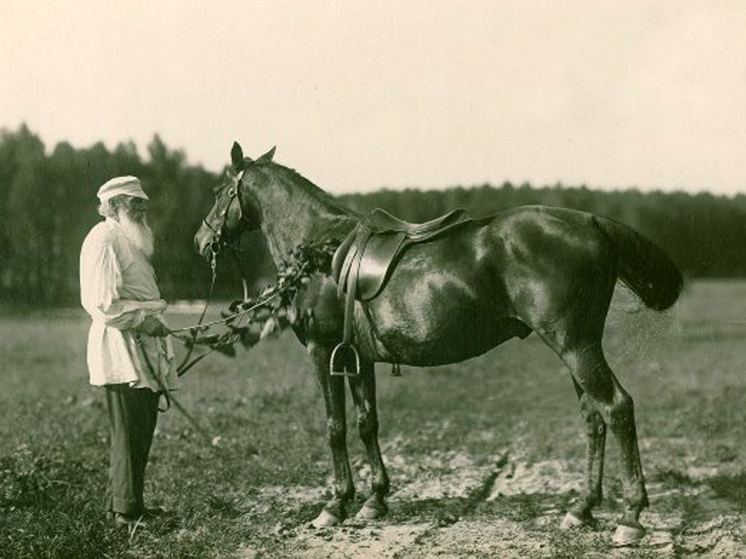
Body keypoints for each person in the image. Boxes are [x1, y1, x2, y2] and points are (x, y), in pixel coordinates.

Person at [80, 176, 177, 527]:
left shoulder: (128, 238)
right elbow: (102, 304)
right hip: (121, 346)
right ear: (114, 206)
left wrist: (151, 321)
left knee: (142, 425)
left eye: (142, 201)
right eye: (135, 202)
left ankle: (127, 503)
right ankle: (125, 512)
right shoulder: (103, 239)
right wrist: (143, 320)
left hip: (142, 343)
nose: (143, 207)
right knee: (128, 428)